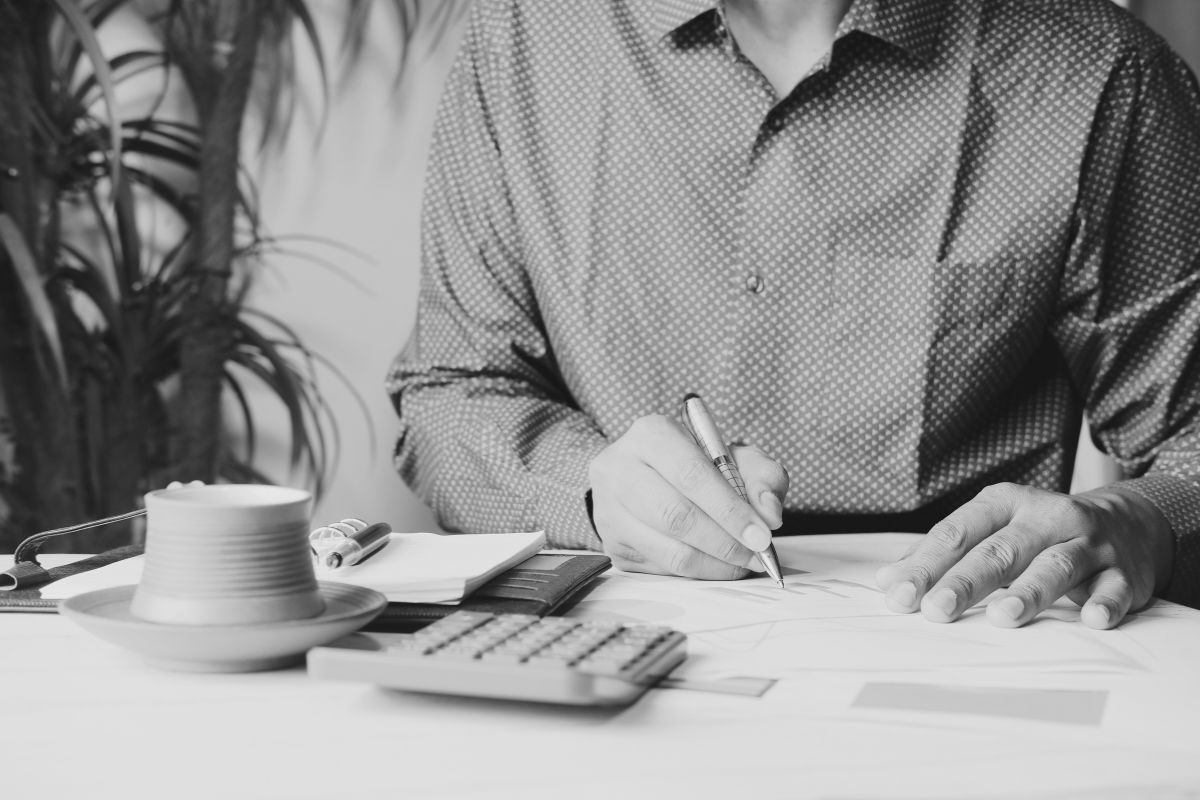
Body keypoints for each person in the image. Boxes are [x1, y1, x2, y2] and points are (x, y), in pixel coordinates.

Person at [387, 0, 1200, 629]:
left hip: (959, 644)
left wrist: (1142, 519)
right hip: (610, 645)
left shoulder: (1098, 72)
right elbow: (450, 390)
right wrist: (589, 493)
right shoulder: (524, 35)